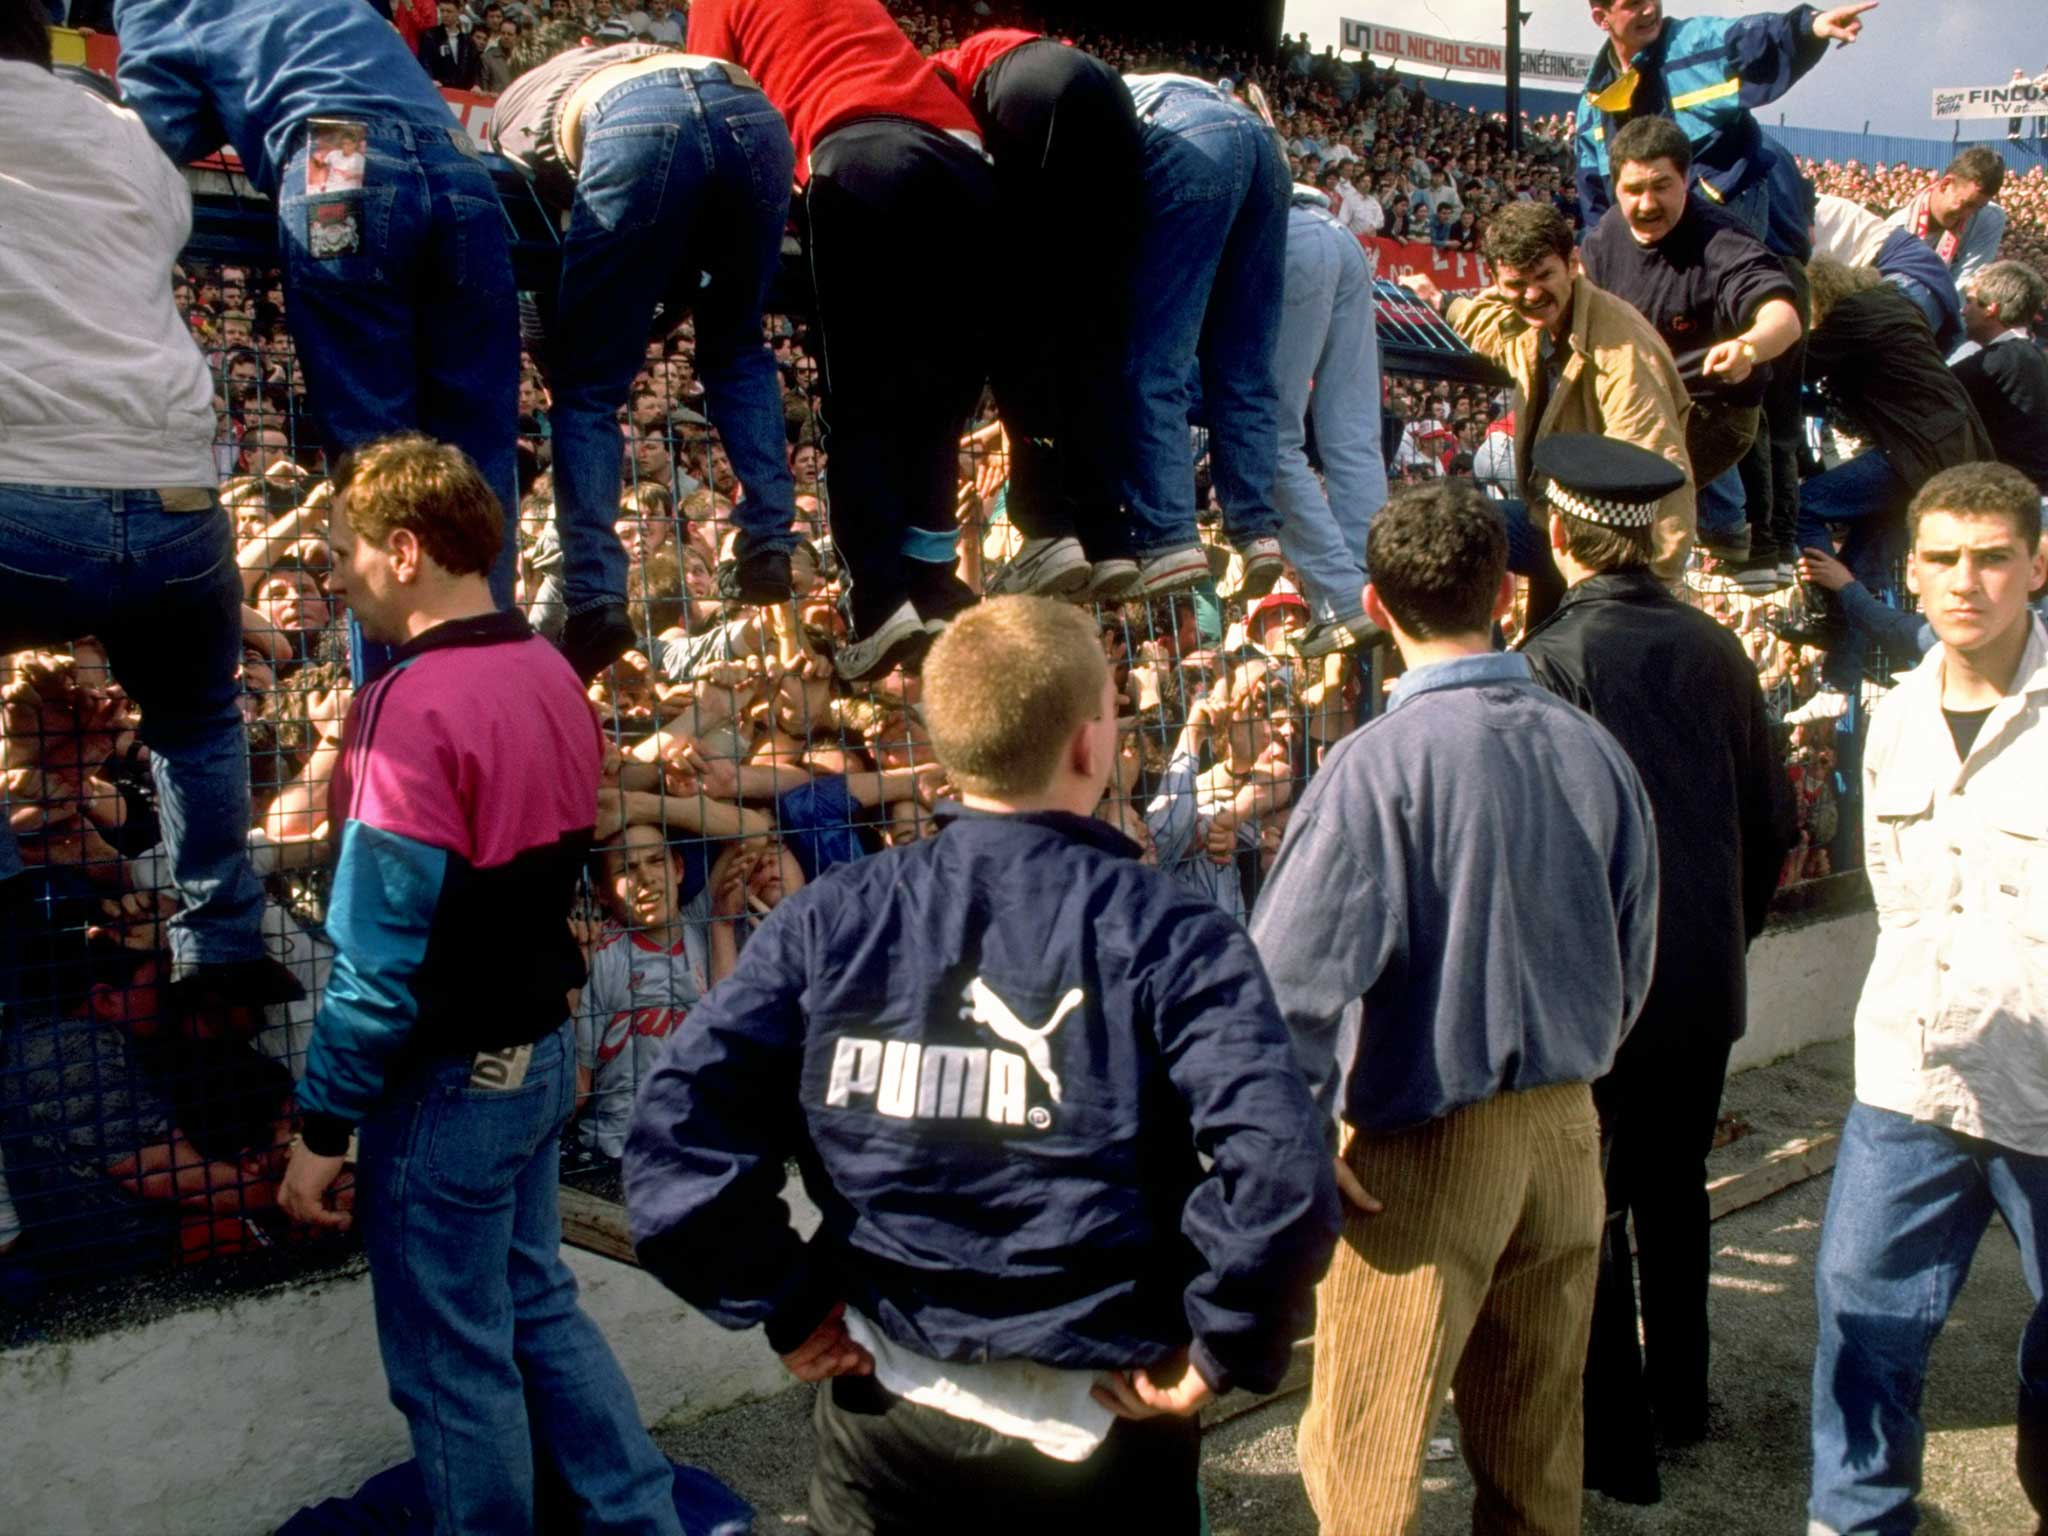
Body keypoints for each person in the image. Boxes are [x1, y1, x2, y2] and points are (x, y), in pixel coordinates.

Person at [624, 596, 1338, 1534]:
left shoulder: (835, 917)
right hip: (1040, 1401)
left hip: (933, 1408)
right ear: (1091, 746)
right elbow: (1283, 1171)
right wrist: (1225, 1337)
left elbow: (673, 1138)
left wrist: (786, 1297)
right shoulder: (1169, 932)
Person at [275, 435, 682, 1533]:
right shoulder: (549, 666)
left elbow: (377, 958)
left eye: (346, 554)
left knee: (454, 1362)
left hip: (454, 1081)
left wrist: (322, 1128)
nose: (340, 577)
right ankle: (642, 1515)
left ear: (402, 551)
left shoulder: (409, 704)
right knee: (536, 1302)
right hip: (538, 1052)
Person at [1251, 478, 1658, 1535]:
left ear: (1376, 609)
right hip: (1568, 1133)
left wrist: (1297, 1132)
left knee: (1368, 1461)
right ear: (1510, 599)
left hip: (1424, 1149)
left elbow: (1285, 985)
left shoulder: (1368, 770)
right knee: (1534, 1454)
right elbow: (1634, 949)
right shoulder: (1590, 750)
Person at [0, 8, 298, 1029]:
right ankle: (219, 943)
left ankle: (11, 907)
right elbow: (165, 219)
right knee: (200, 718)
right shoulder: (124, 135)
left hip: (20, 495)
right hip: (172, 497)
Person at [1516, 436, 1798, 1502]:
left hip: (1603, 989)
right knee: (1676, 1195)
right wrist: (1726, 932)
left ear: (1557, 533)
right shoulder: (1713, 644)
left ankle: (1615, 1447)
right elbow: (1771, 818)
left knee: (1590, 1212)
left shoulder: (1549, 657)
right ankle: (1682, 1399)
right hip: (1701, 978)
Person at [115, 0, 524, 677]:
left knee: (375, 465)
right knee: (478, 459)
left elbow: (149, 135)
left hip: (339, 152)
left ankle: (403, 696)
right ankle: (491, 679)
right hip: (460, 164)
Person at [1806, 462, 2048, 1536]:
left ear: (2036, 565)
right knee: (1858, 1331)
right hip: (1907, 1087)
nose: (1967, 583)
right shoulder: (1894, 717)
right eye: (1942, 559)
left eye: (1992, 557)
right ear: (1907, 570)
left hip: (2041, 1094)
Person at [686, 0, 996, 683]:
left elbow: (712, 97)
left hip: (860, 150)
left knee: (859, 403)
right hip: (968, 165)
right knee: (935, 403)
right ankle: (933, 586)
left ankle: (880, 605)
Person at [492, 40, 800, 678]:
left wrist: (566, 362)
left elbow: (533, 259)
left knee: (585, 391)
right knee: (739, 345)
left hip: (631, 123)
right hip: (753, 113)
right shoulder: (640, 53)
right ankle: (769, 540)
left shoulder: (510, 113)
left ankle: (597, 595)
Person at [928, 31, 1146, 605]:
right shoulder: (1002, 43)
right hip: (1109, 91)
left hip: (1028, 87)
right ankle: (1106, 538)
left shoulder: (930, 76)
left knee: (1018, 322)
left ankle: (1047, 528)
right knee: (1091, 339)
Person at [1400, 202, 1695, 619]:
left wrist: (1651, 593)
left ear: (1572, 263)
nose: (1533, 295)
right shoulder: (1530, 326)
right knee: (1443, 523)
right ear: (1497, 281)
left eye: (1544, 277)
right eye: (1517, 284)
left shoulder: (1621, 350)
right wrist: (1441, 301)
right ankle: (1477, 664)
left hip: (1609, 555)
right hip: (1552, 522)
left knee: (1567, 659)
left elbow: (1658, 466)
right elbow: (1492, 326)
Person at [1581, 115, 1802, 580]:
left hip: (1712, 410)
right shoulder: (1606, 236)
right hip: (1639, 395)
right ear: (1616, 187)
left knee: (1631, 500)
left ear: (1687, 180)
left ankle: (1712, 541)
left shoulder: (1723, 241)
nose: (1646, 204)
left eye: (1661, 187)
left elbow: (1784, 317)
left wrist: (1747, 347)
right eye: (1633, 190)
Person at [1793, 258, 1993, 710]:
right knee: (1863, 564)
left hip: (1915, 454)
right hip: (1941, 452)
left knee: (1804, 506)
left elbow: (1793, 368)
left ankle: (1823, 610)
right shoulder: (1891, 307)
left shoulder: (1852, 318)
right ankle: (1839, 684)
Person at [1121, 72, 1290, 600]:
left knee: (1154, 364)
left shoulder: (1107, 98)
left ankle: (1169, 537)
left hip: (1188, 143)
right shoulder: (1197, 90)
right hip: (1268, 155)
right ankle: (1258, 531)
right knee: (1244, 369)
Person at [1574, 0, 1876, 257]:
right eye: (1634, 3)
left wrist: (1808, 27)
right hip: (1656, 231)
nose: (1650, 9)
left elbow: (1749, 40)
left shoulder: (1691, 44)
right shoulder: (1593, 105)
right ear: (1602, 18)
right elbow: (1595, 199)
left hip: (1726, 209)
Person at [1271, 175, 1389, 658]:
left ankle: (1344, 600)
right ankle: (1372, 591)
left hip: (1282, 239)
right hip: (1334, 232)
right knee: (1353, 435)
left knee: (1266, 438)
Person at [1953, 261, 2048, 496]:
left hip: (2015, 498)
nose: (1963, 311)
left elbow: (1933, 389)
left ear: (1990, 309)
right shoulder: (2032, 354)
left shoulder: (1997, 361)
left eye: (1970, 302)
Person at [1880, 147, 2010, 290]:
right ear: (1946, 184)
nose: (1968, 215)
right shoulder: (1896, 229)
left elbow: (1965, 286)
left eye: (1978, 208)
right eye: (1966, 204)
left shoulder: (1988, 218)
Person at [416, 0, 480, 88]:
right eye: (442, 11)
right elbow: (425, 63)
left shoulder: (467, 41)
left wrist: (476, 85)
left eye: (449, 11)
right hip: (439, 88)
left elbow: (474, 66)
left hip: (462, 91)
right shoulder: (431, 36)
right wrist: (430, 80)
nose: (445, 15)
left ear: (458, 12)